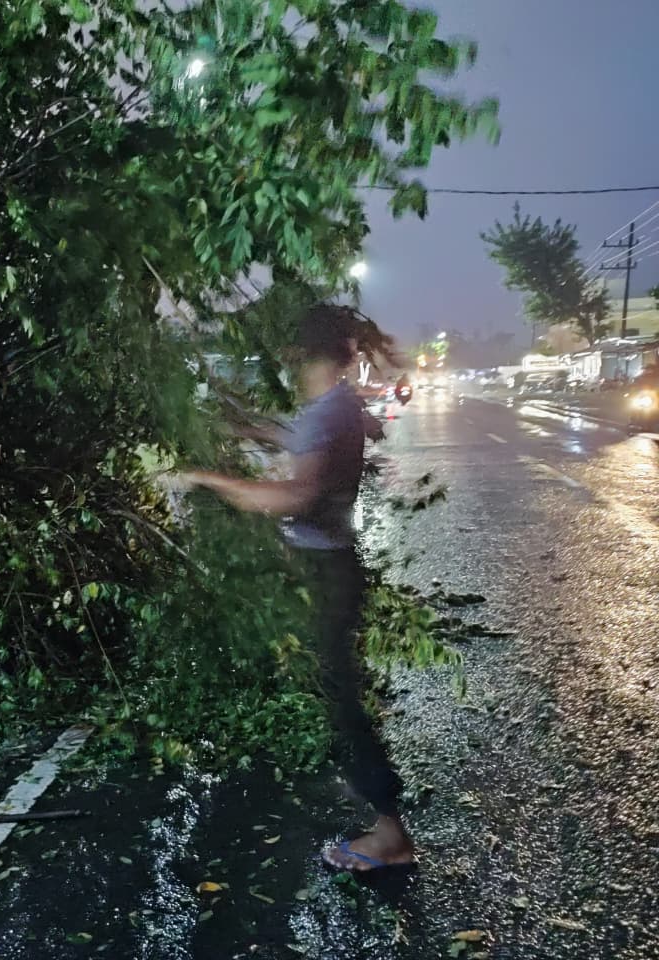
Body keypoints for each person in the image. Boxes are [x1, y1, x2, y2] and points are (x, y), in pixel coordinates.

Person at [177, 304, 415, 873]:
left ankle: (389, 834)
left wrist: (210, 479)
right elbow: (295, 435)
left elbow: (293, 496)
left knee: (342, 701)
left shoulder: (331, 411)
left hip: (327, 572)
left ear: (298, 354)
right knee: (333, 690)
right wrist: (245, 427)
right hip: (325, 567)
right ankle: (379, 815)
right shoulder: (331, 406)